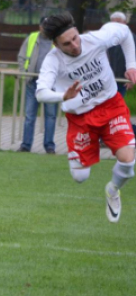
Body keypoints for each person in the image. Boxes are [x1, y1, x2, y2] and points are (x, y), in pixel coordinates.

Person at [36, 12, 136, 223]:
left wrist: (131, 66)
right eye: (67, 43)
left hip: (111, 107)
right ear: (56, 45)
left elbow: (125, 32)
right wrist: (63, 95)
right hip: (81, 118)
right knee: (80, 177)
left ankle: (113, 188)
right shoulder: (52, 60)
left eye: (75, 38)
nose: (74, 45)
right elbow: (41, 92)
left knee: (128, 162)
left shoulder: (95, 39)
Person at [17, 17, 57, 154]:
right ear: (40, 26)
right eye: (44, 25)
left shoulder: (57, 40)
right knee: (29, 115)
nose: (45, 28)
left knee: (51, 116)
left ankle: (49, 146)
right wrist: (25, 74)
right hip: (33, 82)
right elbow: (22, 57)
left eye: (48, 26)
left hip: (51, 84)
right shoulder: (32, 38)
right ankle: (26, 145)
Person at [108, 11, 136, 97]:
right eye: (114, 22)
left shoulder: (133, 39)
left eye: (118, 22)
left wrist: (132, 79)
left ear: (124, 23)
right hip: (108, 79)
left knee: (117, 104)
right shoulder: (107, 39)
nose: (116, 25)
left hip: (122, 79)